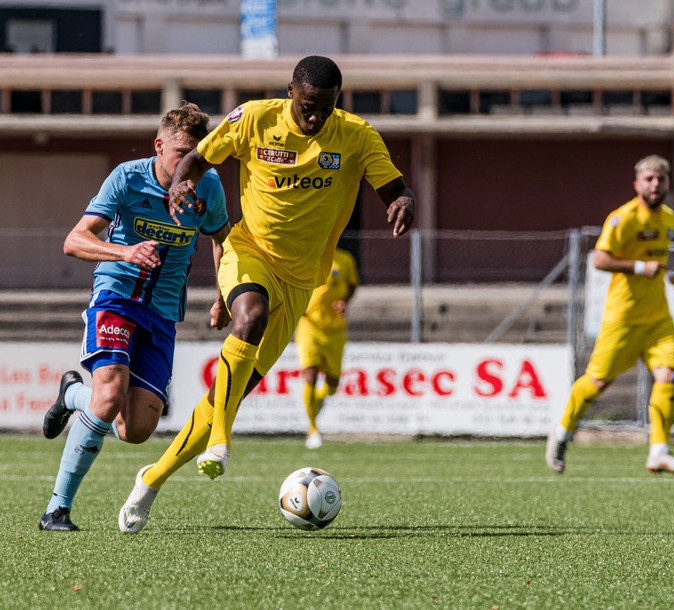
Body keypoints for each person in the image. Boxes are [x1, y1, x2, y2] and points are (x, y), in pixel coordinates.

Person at [119, 55, 415, 533]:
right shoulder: (255, 119)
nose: (316, 117)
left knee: (224, 396)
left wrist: (402, 200)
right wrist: (179, 184)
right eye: (308, 106)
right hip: (250, 250)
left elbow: (393, 184)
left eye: (326, 107)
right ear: (291, 93)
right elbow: (199, 158)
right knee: (248, 316)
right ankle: (222, 437)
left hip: (300, 282)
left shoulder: (356, 134)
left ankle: (150, 479)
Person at [38, 102, 230, 531]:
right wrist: (124, 250)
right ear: (159, 146)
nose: (190, 163)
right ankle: (57, 509)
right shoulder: (127, 177)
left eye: (197, 155)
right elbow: (75, 240)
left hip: (162, 313)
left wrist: (223, 295)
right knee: (108, 397)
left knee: (136, 429)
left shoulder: (209, 187)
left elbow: (222, 240)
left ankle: (71, 396)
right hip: (116, 297)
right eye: (181, 153)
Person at [545, 155, 674, 476]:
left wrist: (670, 275)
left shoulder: (668, 217)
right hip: (622, 319)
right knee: (596, 382)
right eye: (649, 179)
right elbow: (599, 259)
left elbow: (655, 258)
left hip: (657, 319)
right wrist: (641, 268)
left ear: (668, 184)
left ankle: (659, 451)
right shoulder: (622, 219)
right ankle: (560, 433)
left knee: (669, 377)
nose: (655, 185)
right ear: (637, 184)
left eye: (661, 179)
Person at [295, 246, 359, 449]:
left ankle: (319, 399)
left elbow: (352, 285)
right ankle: (313, 429)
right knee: (310, 375)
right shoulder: (307, 256)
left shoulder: (345, 259)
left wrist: (344, 301)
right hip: (309, 326)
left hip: (335, 330)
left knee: (332, 385)